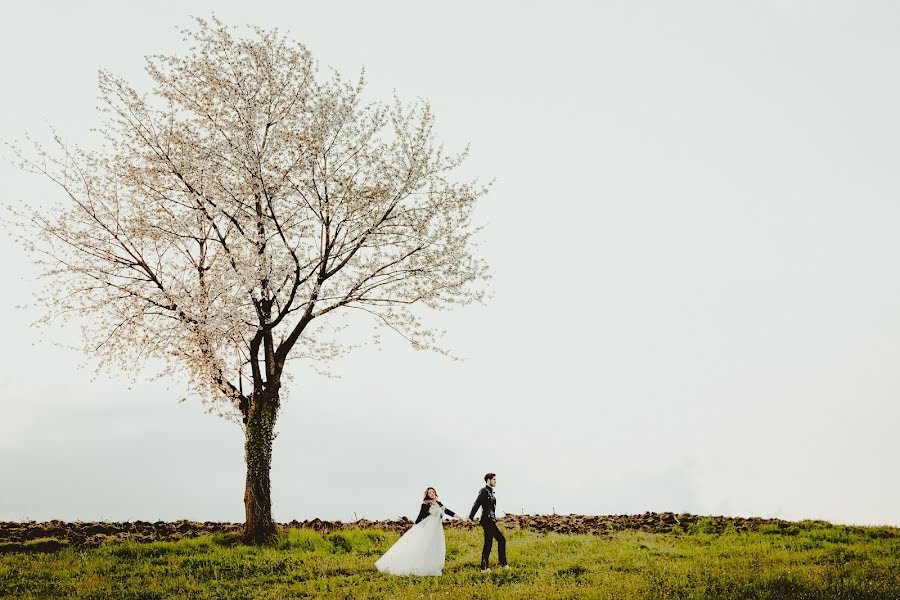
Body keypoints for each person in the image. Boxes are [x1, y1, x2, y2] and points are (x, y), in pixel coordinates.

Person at [375, 487, 463, 576]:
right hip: (429, 527)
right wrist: (414, 526)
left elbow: (448, 511)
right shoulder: (425, 504)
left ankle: (432, 566)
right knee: (425, 545)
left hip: (437, 528)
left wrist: (460, 517)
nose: (431, 493)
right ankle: (418, 565)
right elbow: (420, 516)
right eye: (429, 492)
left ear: (435, 493)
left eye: (433, 492)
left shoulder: (439, 503)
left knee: (434, 546)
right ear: (427, 495)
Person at [469, 472, 508, 572]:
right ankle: (501, 564)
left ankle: (485, 567)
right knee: (500, 540)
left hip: (490, 520)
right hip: (487, 520)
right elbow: (477, 503)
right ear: (488, 480)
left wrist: (494, 519)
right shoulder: (484, 491)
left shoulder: (491, 492)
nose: (495, 481)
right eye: (494, 479)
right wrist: (470, 517)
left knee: (489, 542)